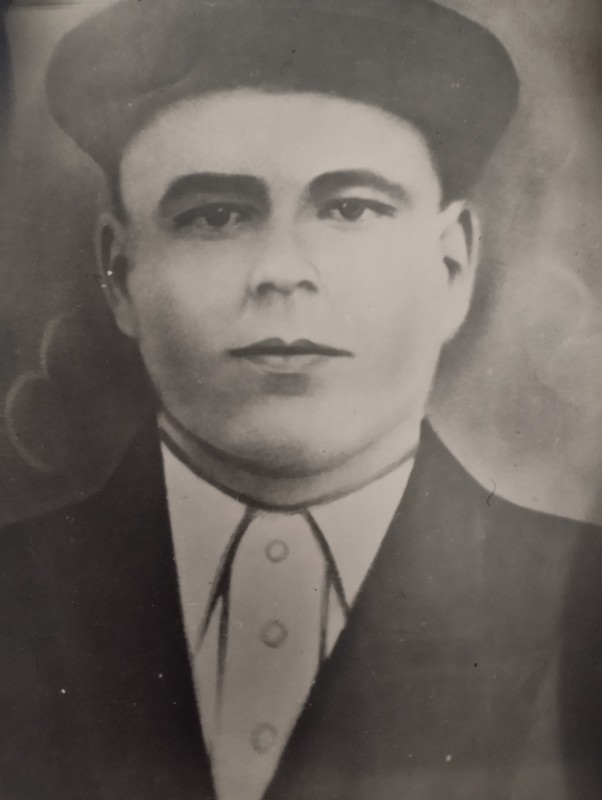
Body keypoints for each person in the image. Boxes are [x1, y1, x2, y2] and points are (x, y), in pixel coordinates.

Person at [1, 1, 601, 798]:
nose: (282, 270)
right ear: (120, 273)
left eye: (350, 208)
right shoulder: (18, 592)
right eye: (216, 216)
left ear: (451, 267)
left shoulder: (584, 599)